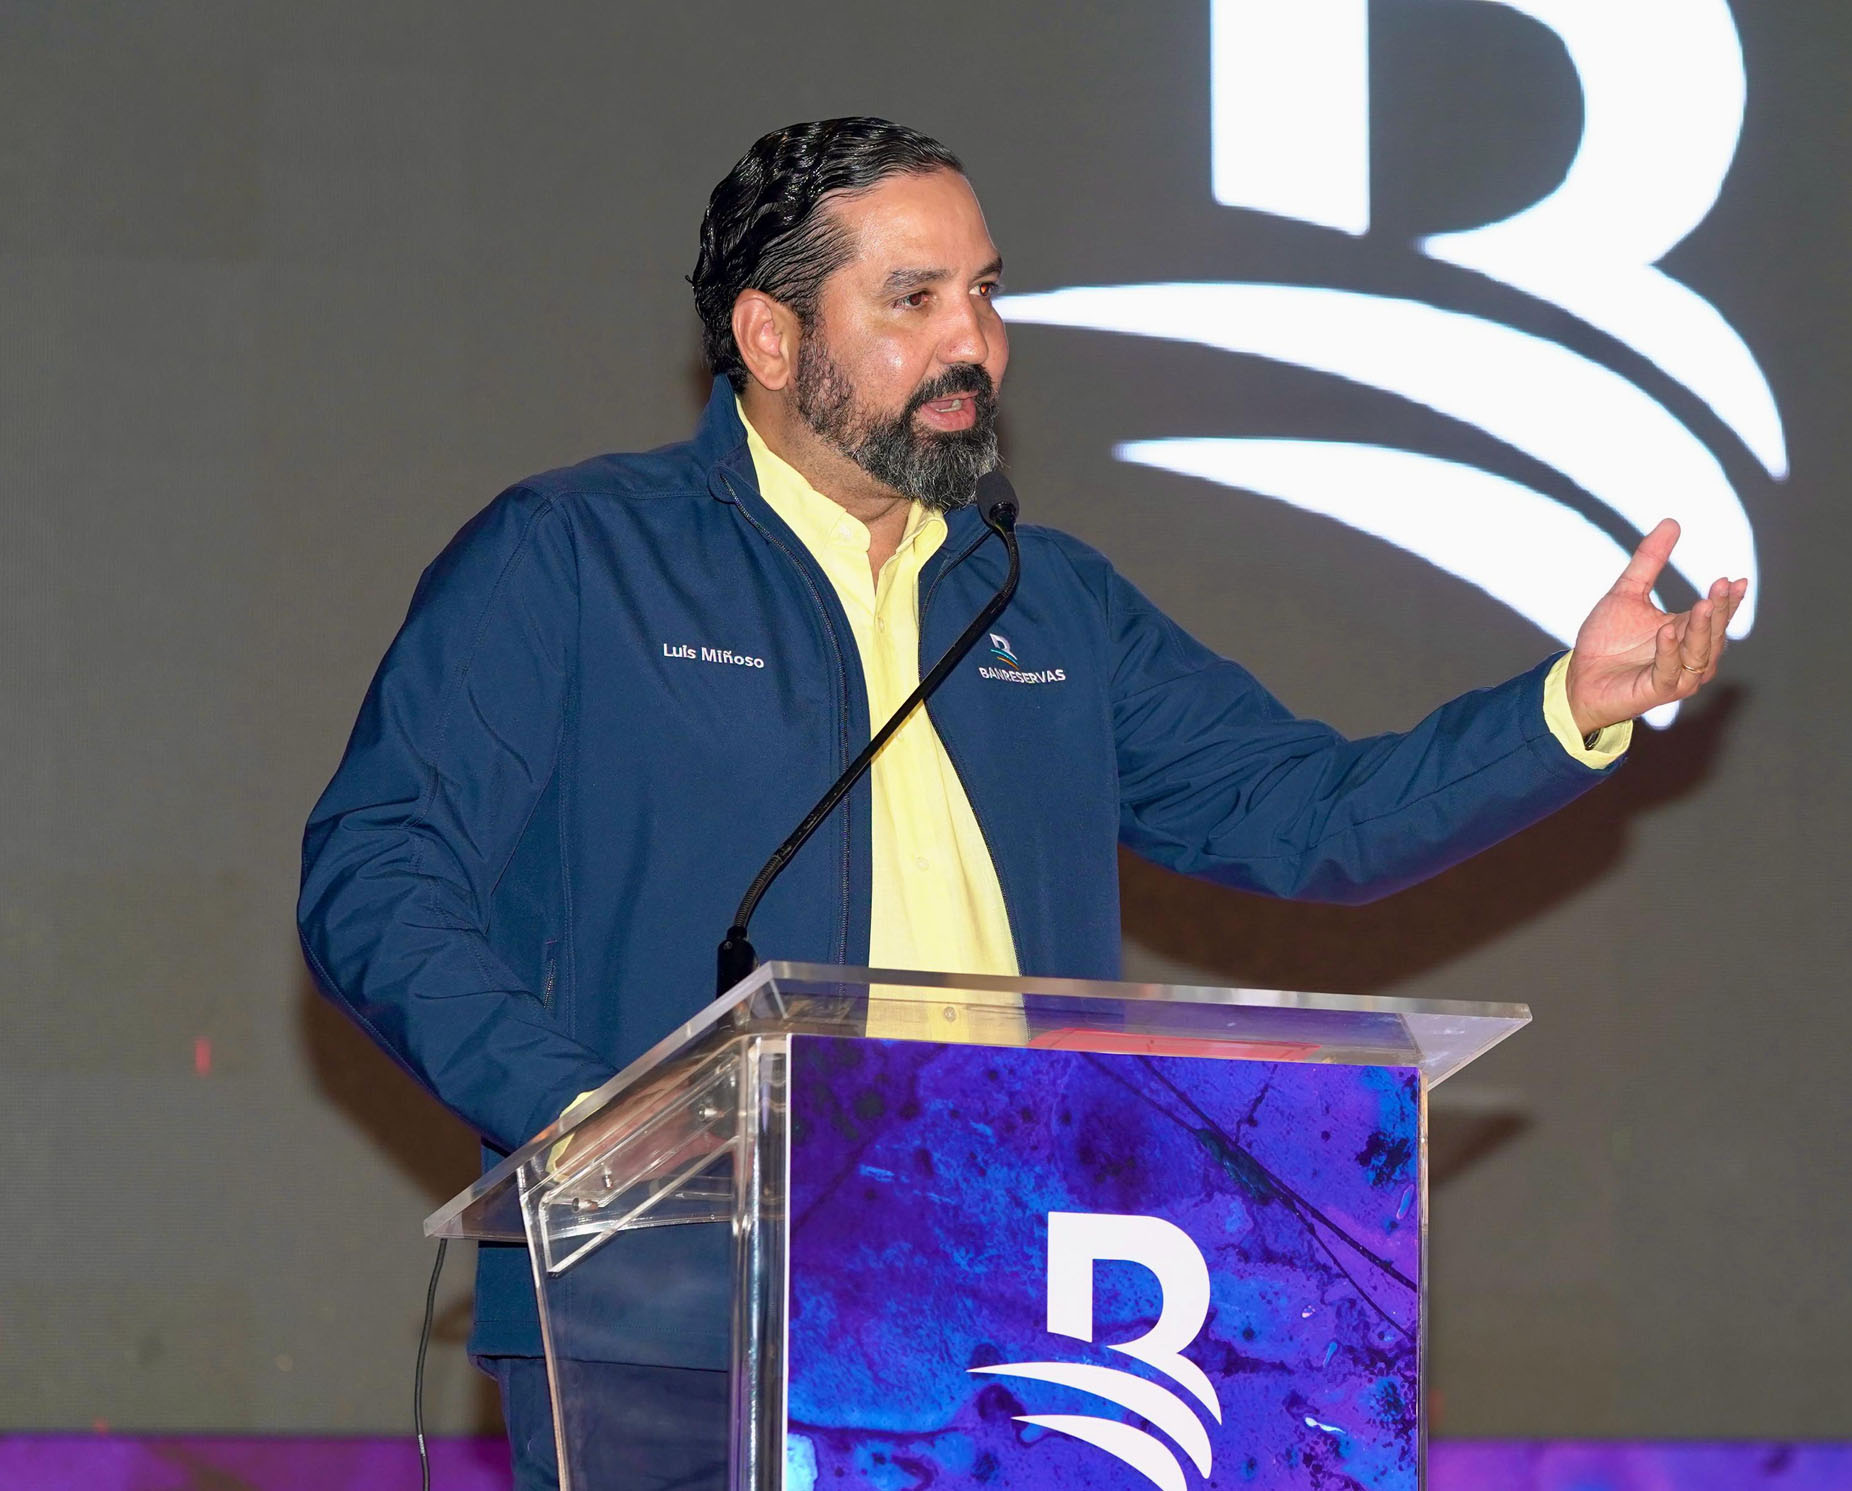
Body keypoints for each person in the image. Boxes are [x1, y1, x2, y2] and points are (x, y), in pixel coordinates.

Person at [297, 117, 1744, 1490]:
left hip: (1022, 1307)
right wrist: (589, 1122)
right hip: (679, 1312)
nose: (973, 342)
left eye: (984, 292)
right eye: (913, 298)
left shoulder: (1046, 600)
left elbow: (1310, 814)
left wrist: (1564, 709)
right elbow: (377, 873)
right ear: (770, 337)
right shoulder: (577, 559)